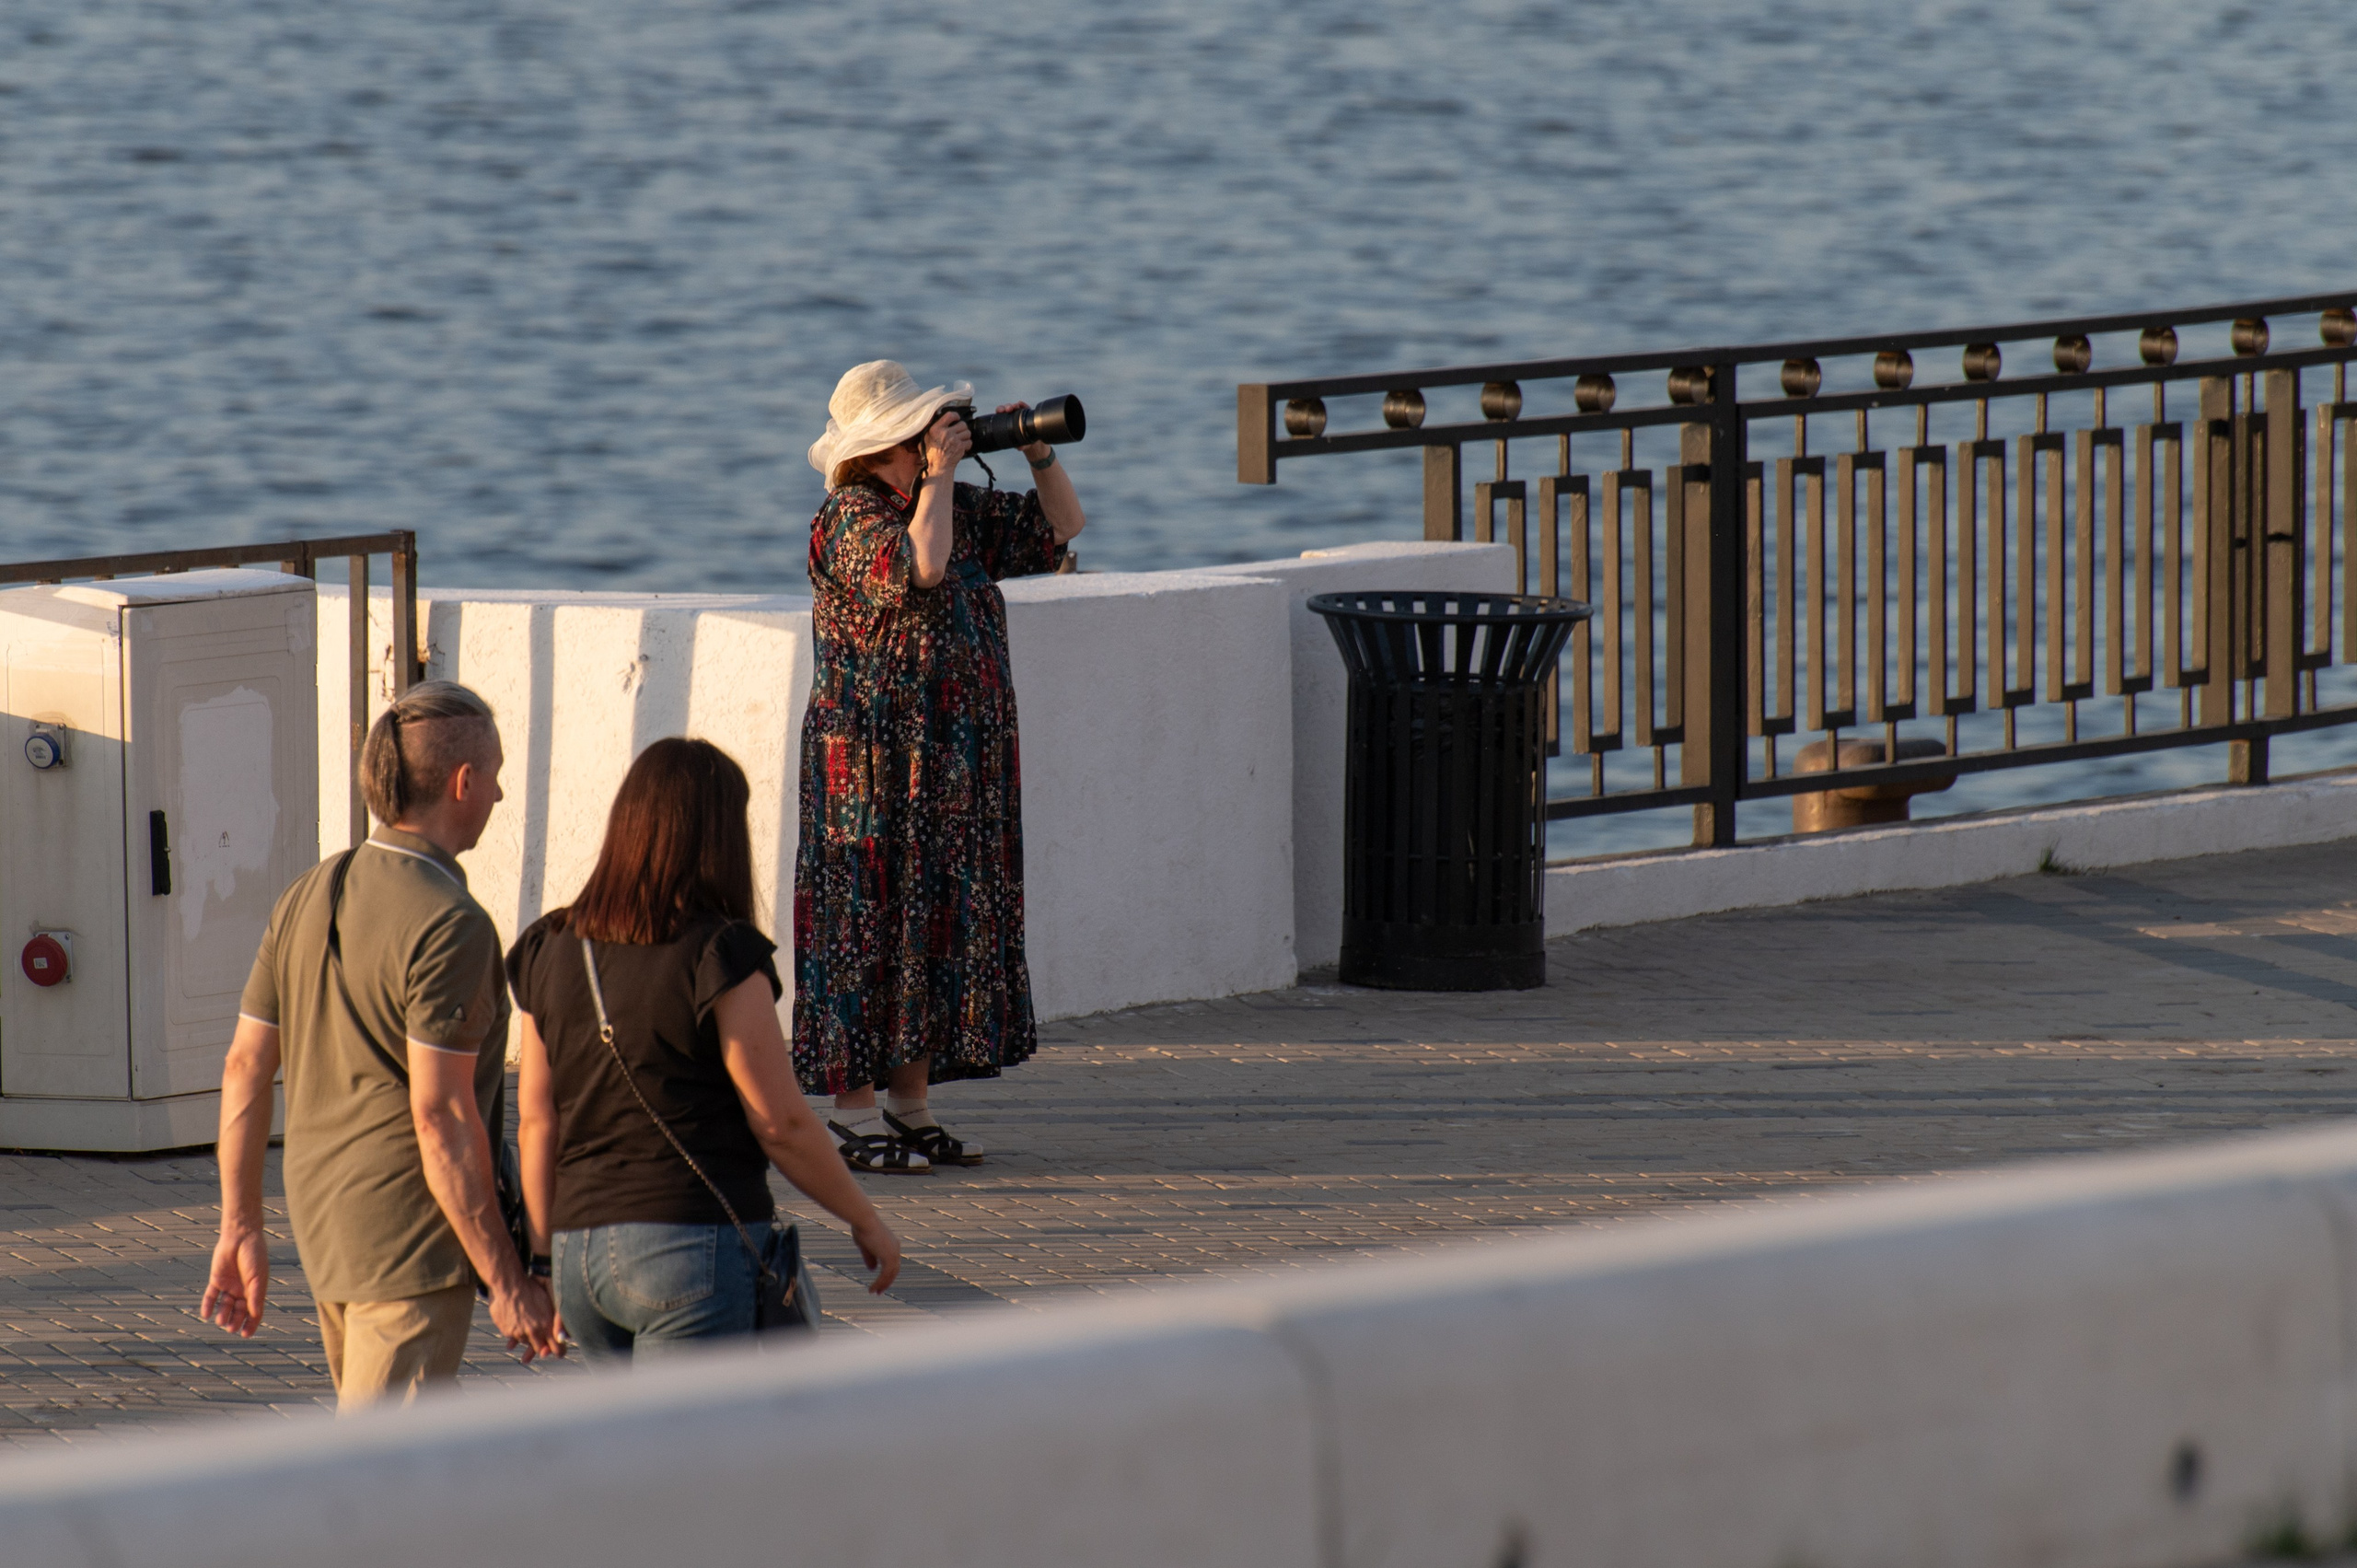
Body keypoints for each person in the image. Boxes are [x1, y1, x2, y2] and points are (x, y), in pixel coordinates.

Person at [203, 680, 561, 1411]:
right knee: (385, 1494)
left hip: (328, 1229)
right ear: (463, 782)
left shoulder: (308, 892)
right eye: (493, 776)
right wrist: (506, 1280)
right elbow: (442, 1116)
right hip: (412, 1247)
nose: (498, 795)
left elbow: (243, 1066)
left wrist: (239, 1224)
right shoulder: (453, 924)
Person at [508, 737, 903, 1357]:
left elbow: (536, 1120)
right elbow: (780, 1121)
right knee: (691, 1453)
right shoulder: (722, 952)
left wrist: (537, 1259)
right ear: (719, 837)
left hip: (577, 1254)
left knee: (634, 1451)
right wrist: (863, 1216)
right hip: (688, 1245)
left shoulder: (548, 945)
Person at [796, 360, 1086, 1173]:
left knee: (933, 925)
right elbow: (919, 567)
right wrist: (941, 474)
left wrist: (1036, 451)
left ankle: (910, 1103)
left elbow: (1064, 528)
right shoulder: (849, 517)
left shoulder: (946, 504)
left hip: (955, 769)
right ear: (888, 441)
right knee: (869, 927)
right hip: (876, 768)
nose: (938, 437)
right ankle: (852, 1113)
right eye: (923, 429)